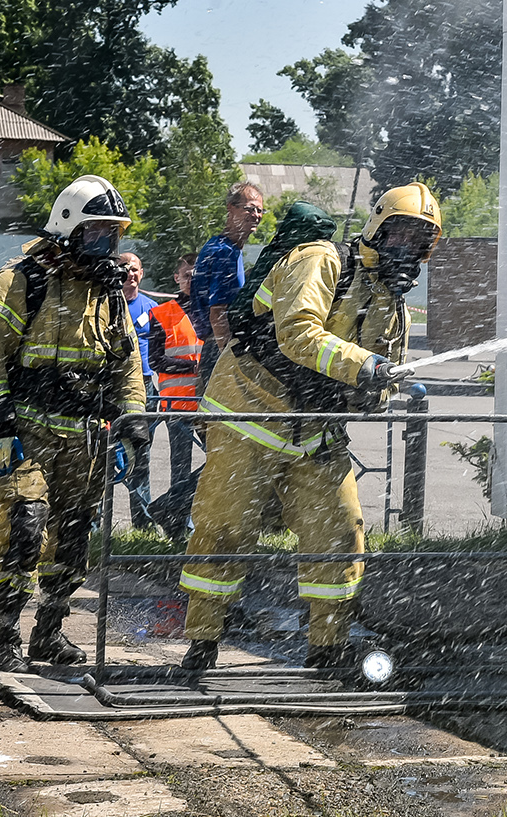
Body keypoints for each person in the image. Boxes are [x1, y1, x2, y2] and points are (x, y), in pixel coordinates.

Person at [175, 186, 439, 673]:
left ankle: (327, 647)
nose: (407, 245)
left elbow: (375, 376)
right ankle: (202, 642)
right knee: (225, 529)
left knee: (339, 533)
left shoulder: (390, 300)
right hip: (249, 414)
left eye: (419, 238)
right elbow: (297, 332)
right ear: (377, 228)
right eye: (399, 231)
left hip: (315, 430)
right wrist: (364, 364)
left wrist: (376, 388)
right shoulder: (320, 260)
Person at [0, 174, 147, 672]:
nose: (106, 246)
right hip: (24, 432)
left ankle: (49, 633)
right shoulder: (22, 281)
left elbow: (126, 365)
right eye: (96, 234)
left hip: (83, 437)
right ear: (67, 230)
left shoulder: (107, 294)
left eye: (113, 235)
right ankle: (6, 638)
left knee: (73, 534)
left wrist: (133, 425)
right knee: (24, 527)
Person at [145, 252, 202, 540]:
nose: (192, 279)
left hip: (211, 404)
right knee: (181, 467)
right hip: (178, 403)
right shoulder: (162, 312)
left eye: (197, 273)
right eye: (187, 274)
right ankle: (179, 528)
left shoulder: (214, 310)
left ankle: (172, 509)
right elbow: (155, 360)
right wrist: (192, 366)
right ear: (176, 278)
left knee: (220, 463)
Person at [190, 182, 264, 395]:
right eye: (250, 208)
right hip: (219, 348)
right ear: (231, 208)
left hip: (212, 348)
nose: (256, 215)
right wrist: (230, 360)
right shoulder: (226, 253)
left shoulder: (221, 247)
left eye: (260, 210)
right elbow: (218, 313)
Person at [119, 252, 158, 531]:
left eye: (134, 269)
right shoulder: (105, 304)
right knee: (104, 456)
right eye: (124, 269)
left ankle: (142, 523)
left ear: (141, 274)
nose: (129, 274)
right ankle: (94, 526)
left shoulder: (152, 309)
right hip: (113, 388)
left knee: (141, 456)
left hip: (145, 388)